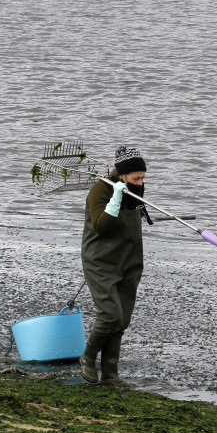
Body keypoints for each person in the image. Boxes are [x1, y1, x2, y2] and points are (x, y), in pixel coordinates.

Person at [79, 146, 151, 385]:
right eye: (135, 178)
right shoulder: (100, 190)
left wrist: (131, 195)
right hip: (101, 260)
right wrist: (117, 196)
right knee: (110, 315)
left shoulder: (135, 190)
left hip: (129, 260)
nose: (140, 182)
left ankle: (110, 374)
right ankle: (87, 358)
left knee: (122, 320)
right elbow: (102, 226)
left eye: (143, 177)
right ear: (121, 175)